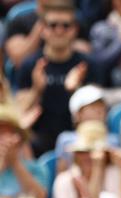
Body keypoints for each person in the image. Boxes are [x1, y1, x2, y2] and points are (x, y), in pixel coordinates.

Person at [15, 1, 98, 157]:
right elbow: (20, 114)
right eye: (53, 25)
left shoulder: (88, 65)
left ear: (75, 30)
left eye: (66, 26)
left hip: (79, 143)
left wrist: (77, 92)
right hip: (38, 144)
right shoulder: (30, 65)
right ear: (43, 29)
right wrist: (36, 89)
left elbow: (97, 116)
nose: (59, 31)